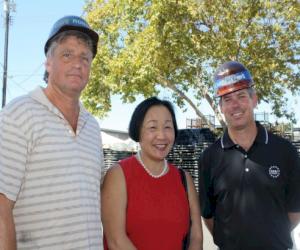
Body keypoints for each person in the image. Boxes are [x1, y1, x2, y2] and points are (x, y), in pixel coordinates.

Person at [0, 15, 104, 249]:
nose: (77, 63)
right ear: (48, 62)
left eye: (85, 57)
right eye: (67, 54)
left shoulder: (92, 127)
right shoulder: (18, 115)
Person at [198, 61, 300, 250]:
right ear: (220, 107)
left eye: (241, 96)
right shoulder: (209, 158)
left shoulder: (286, 151)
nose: (235, 105)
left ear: (254, 99)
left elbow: (294, 213)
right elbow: (208, 216)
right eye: (227, 99)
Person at [101, 97, 203, 250]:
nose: (161, 136)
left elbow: (196, 237)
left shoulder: (184, 179)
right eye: (152, 127)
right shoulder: (118, 175)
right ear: (138, 132)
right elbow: (116, 240)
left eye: (168, 127)